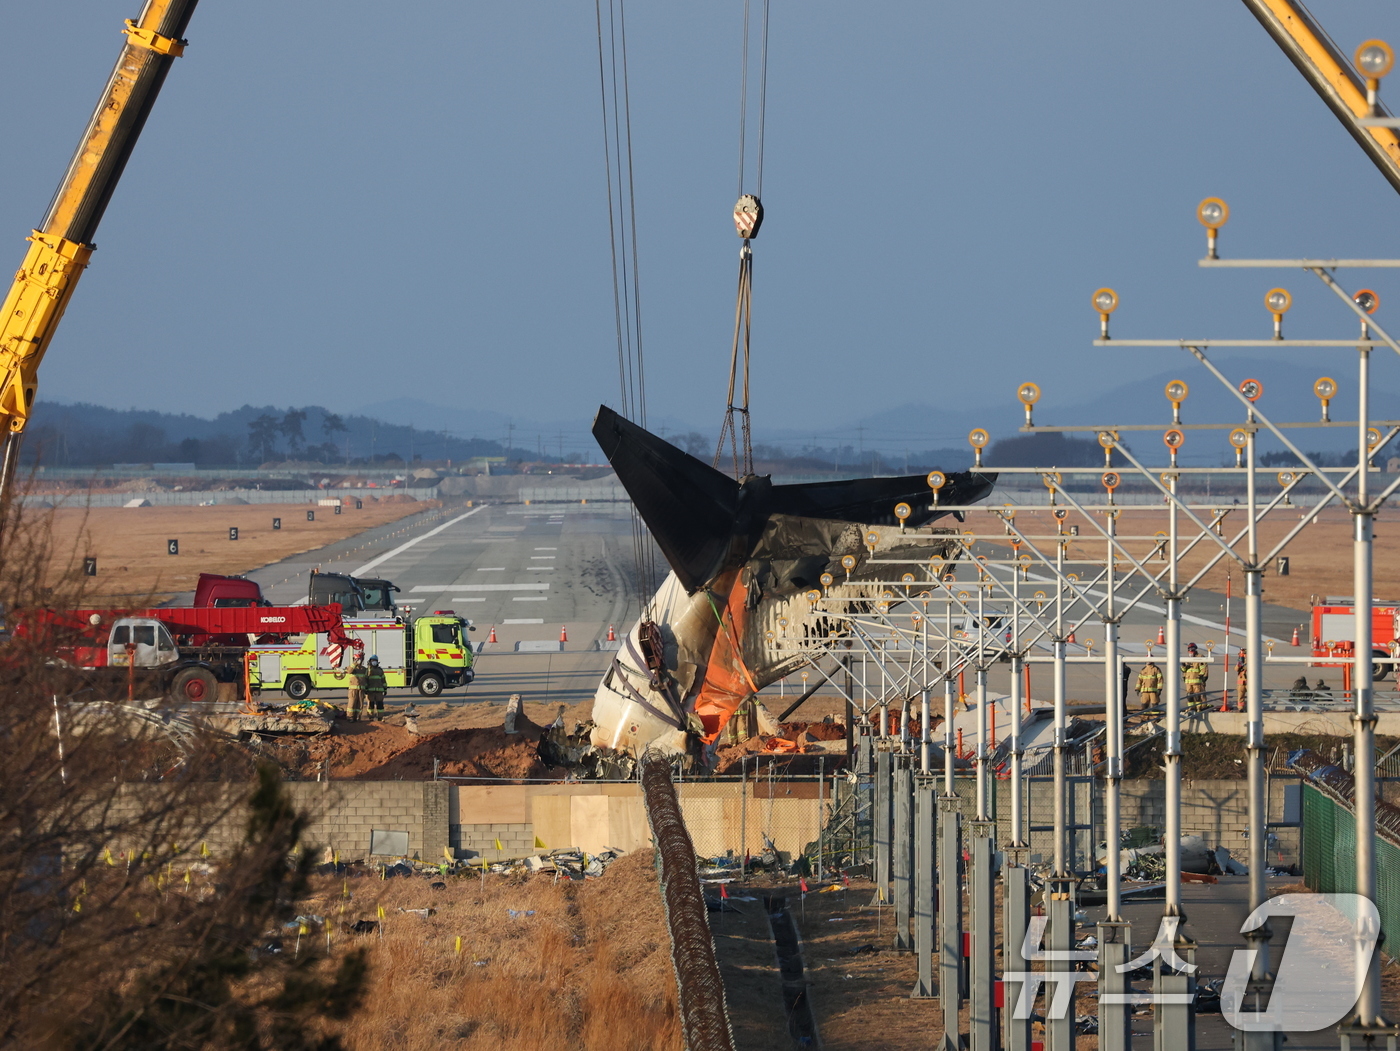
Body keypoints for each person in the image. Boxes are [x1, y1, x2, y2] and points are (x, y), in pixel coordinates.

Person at [1183, 643, 1209, 710]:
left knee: (1198, 696)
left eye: (1192, 649)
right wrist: (1184, 667)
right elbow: (1184, 670)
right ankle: (1191, 708)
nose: (1191, 651)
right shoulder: (1187, 659)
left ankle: (1199, 708)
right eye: (1189, 649)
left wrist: (1203, 676)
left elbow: (1204, 668)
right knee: (1189, 696)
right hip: (1188, 681)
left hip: (1197, 681)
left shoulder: (1200, 657)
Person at [366, 655, 388, 720]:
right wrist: (365, 689)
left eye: (375, 661)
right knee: (371, 705)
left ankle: (380, 717)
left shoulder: (380, 670)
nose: (374, 662)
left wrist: (385, 689)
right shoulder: (368, 670)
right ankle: (371, 717)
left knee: (380, 705)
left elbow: (383, 680)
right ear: (370, 661)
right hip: (370, 692)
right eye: (373, 661)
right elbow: (365, 680)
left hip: (379, 691)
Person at [347, 657, 367, 722]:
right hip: (353, 690)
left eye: (360, 659)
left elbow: (366, 679)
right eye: (357, 659)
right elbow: (349, 671)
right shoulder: (352, 668)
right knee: (352, 704)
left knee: (360, 705)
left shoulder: (364, 669)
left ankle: (358, 717)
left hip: (361, 690)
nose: (359, 661)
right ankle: (350, 717)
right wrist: (354, 663)